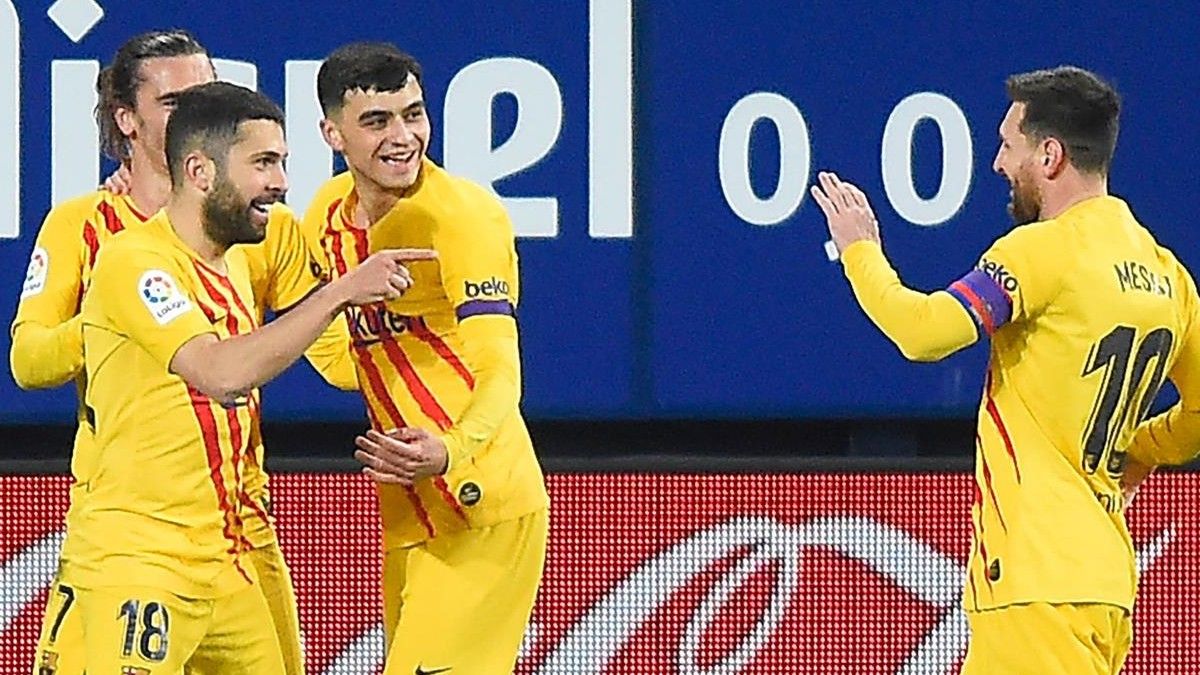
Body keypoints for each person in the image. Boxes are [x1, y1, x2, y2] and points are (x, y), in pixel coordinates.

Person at [810, 65, 1196, 673]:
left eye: (1007, 145)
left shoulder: (1042, 252)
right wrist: (1135, 450)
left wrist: (861, 250)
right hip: (1105, 590)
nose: (995, 163)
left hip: (1034, 587)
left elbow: (925, 333)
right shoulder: (1169, 276)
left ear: (1050, 155)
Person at [12, 30, 357, 675]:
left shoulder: (258, 226)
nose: (197, 110)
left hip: (239, 518)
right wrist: (121, 324)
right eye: (174, 102)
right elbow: (28, 361)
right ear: (128, 121)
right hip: (129, 516)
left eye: (205, 93)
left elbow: (336, 358)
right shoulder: (89, 229)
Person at [65, 80, 430, 672]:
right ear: (200, 170)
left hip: (227, 565)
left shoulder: (236, 259)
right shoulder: (134, 262)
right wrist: (340, 291)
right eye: (263, 163)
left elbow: (330, 361)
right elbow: (220, 372)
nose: (281, 182)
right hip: (141, 563)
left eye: (282, 162)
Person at [300, 42, 549, 674]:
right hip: (409, 513)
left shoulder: (461, 218)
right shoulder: (326, 215)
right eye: (378, 121)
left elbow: (501, 369)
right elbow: (338, 359)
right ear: (333, 133)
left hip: (481, 501)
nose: (404, 137)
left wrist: (452, 448)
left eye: (414, 114)